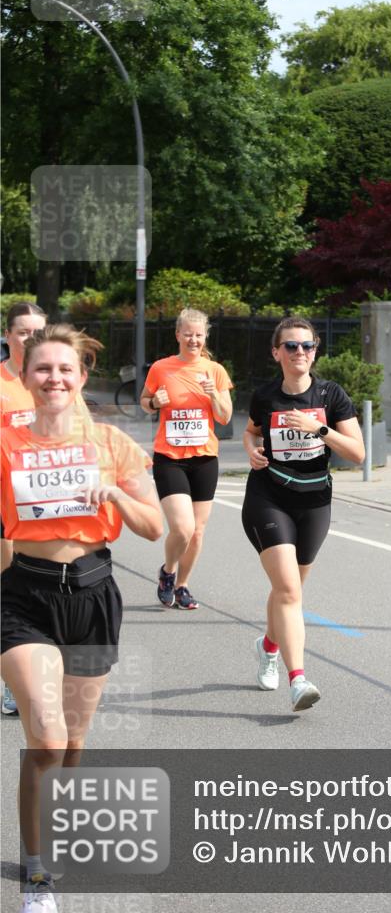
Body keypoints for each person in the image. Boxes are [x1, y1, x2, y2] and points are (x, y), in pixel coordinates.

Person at [0, 324, 162, 913]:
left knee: (71, 743)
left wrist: (113, 494)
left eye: (65, 370)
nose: (54, 379)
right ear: (25, 376)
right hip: (24, 597)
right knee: (44, 738)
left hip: (93, 596)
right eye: (43, 369)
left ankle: (53, 828)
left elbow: (154, 527)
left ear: (82, 377)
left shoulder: (112, 443)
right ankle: (37, 875)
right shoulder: (4, 442)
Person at [242, 316, 365, 712]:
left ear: (316, 351)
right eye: (291, 346)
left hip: (314, 502)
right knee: (290, 590)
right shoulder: (265, 396)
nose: (300, 353)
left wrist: (319, 430)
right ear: (276, 352)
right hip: (268, 498)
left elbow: (359, 453)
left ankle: (268, 646)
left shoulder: (331, 395)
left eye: (307, 346)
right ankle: (299, 680)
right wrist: (251, 449)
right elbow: (250, 430)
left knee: (289, 589)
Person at [140, 308, 233, 610]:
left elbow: (225, 416)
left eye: (199, 334)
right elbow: (144, 402)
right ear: (177, 335)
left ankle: (183, 585)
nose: (193, 339)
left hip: (204, 458)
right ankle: (168, 572)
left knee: (198, 531)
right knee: (182, 528)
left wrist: (213, 395)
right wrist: (155, 402)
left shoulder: (215, 371)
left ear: (205, 336)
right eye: (188, 334)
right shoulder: (161, 368)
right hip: (169, 457)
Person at [1, 302, 47, 717]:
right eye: (23, 333)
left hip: (48, 503)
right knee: (11, 585)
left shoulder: (53, 380)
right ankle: (13, 681)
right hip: (5, 502)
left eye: (39, 332)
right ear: (8, 336)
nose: (31, 340)